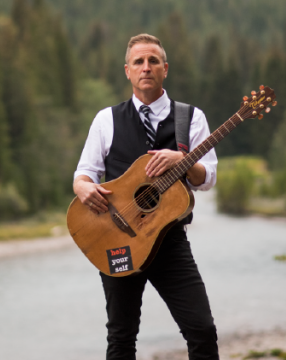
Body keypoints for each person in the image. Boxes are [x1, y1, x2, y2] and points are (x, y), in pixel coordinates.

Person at [72, 34, 220, 360]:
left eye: (153, 61)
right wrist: (81, 186)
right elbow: (84, 174)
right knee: (122, 338)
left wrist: (183, 163)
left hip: (169, 244)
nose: (146, 67)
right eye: (138, 61)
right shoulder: (106, 119)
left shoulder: (190, 118)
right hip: (117, 239)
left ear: (165, 69)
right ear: (127, 71)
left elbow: (207, 178)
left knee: (202, 331)